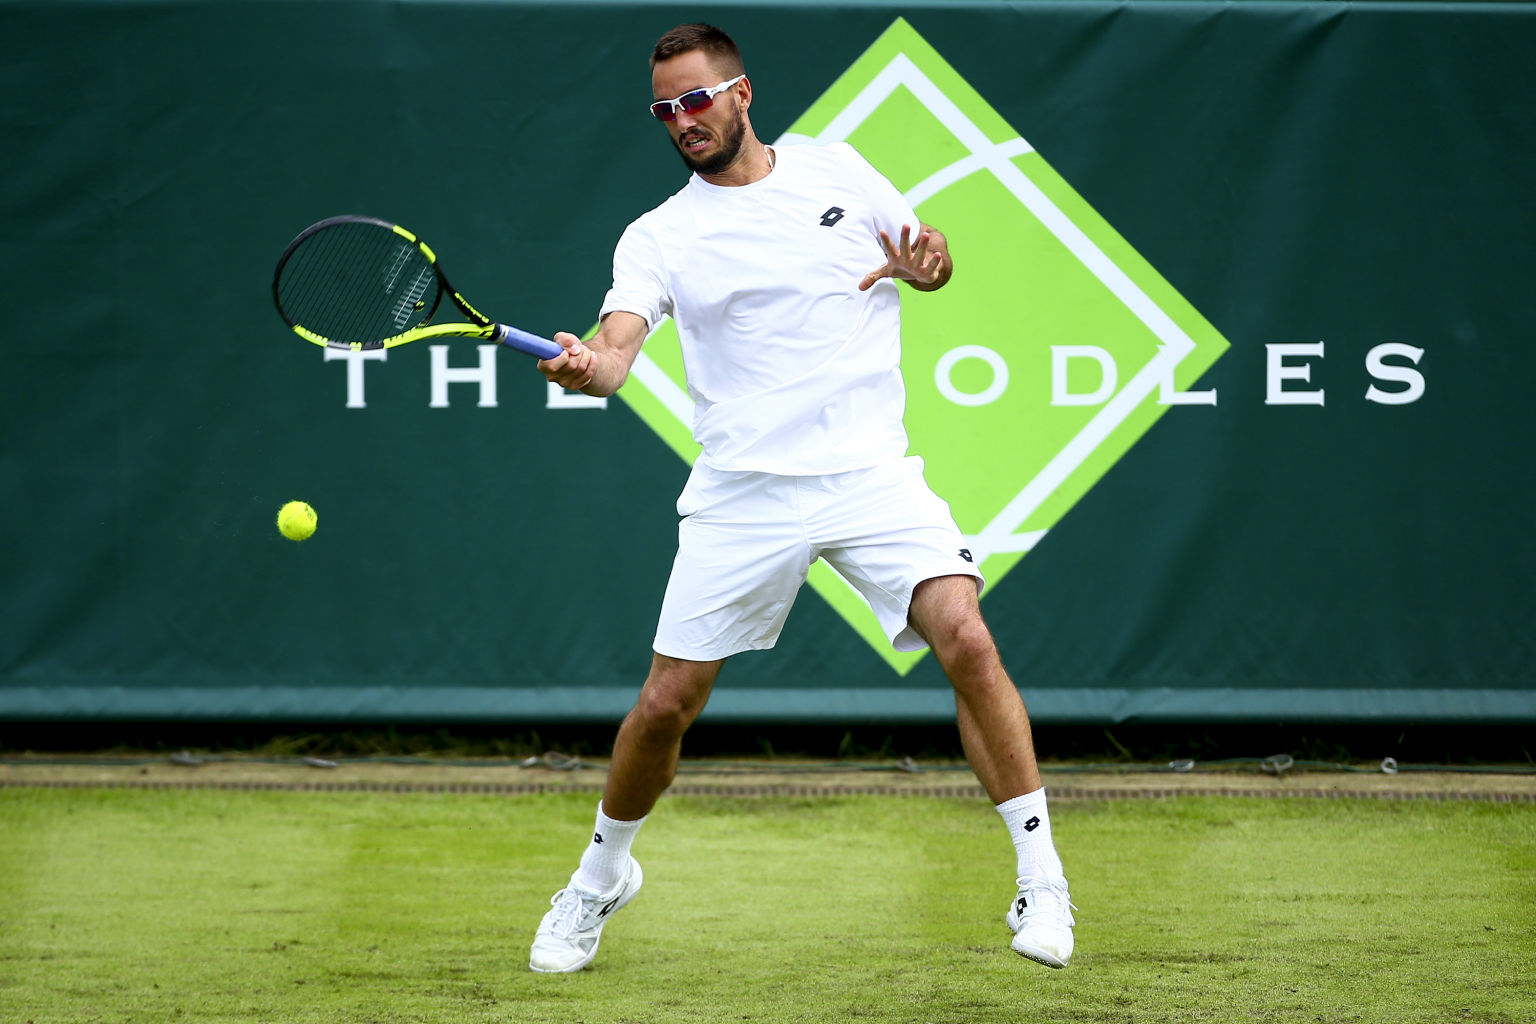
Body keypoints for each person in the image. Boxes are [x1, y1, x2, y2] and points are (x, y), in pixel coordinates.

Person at [528, 22, 1075, 974]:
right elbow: (616, 356)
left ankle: (1043, 879)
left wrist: (929, 263)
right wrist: (588, 365)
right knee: (664, 705)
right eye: (665, 110)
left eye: (697, 99)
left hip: (871, 476)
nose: (683, 121)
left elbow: (929, 257)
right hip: (744, 491)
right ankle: (600, 875)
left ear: (742, 93)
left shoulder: (841, 171)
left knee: (969, 638)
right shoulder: (658, 235)